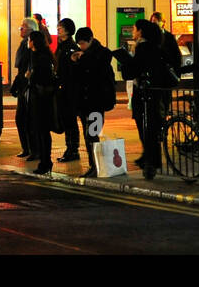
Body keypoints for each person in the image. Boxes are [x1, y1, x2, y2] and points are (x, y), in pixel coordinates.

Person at [110, 19, 173, 176]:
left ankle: (150, 163)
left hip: (145, 92)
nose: (132, 31)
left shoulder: (142, 48)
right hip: (157, 92)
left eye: (134, 29)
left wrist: (126, 61)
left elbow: (133, 71)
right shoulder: (156, 47)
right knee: (151, 127)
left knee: (146, 126)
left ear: (140, 31)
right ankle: (150, 159)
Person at [71, 27, 116, 177]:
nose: (81, 46)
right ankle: (93, 165)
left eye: (83, 43)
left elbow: (97, 69)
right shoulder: (83, 54)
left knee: (92, 133)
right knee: (88, 134)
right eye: (79, 44)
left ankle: (96, 166)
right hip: (84, 103)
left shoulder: (102, 53)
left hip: (96, 103)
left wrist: (82, 58)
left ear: (90, 40)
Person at [25, 28, 56, 175]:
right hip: (39, 96)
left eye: (29, 39)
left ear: (33, 41)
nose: (27, 42)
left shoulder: (40, 56)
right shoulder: (37, 54)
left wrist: (30, 75)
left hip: (42, 98)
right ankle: (45, 161)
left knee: (43, 131)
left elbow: (42, 77)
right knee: (41, 131)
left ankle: (46, 162)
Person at [53, 18, 80, 163]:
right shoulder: (62, 46)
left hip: (69, 89)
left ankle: (73, 149)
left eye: (61, 27)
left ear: (68, 30)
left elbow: (69, 69)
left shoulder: (70, 47)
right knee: (66, 119)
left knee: (70, 120)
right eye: (58, 27)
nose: (58, 29)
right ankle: (70, 148)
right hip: (62, 88)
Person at [13, 18, 35, 158]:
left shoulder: (32, 45)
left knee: (27, 118)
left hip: (28, 85)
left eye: (23, 27)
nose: (21, 29)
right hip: (22, 83)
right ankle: (26, 148)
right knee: (21, 118)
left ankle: (32, 149)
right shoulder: (23, 43)